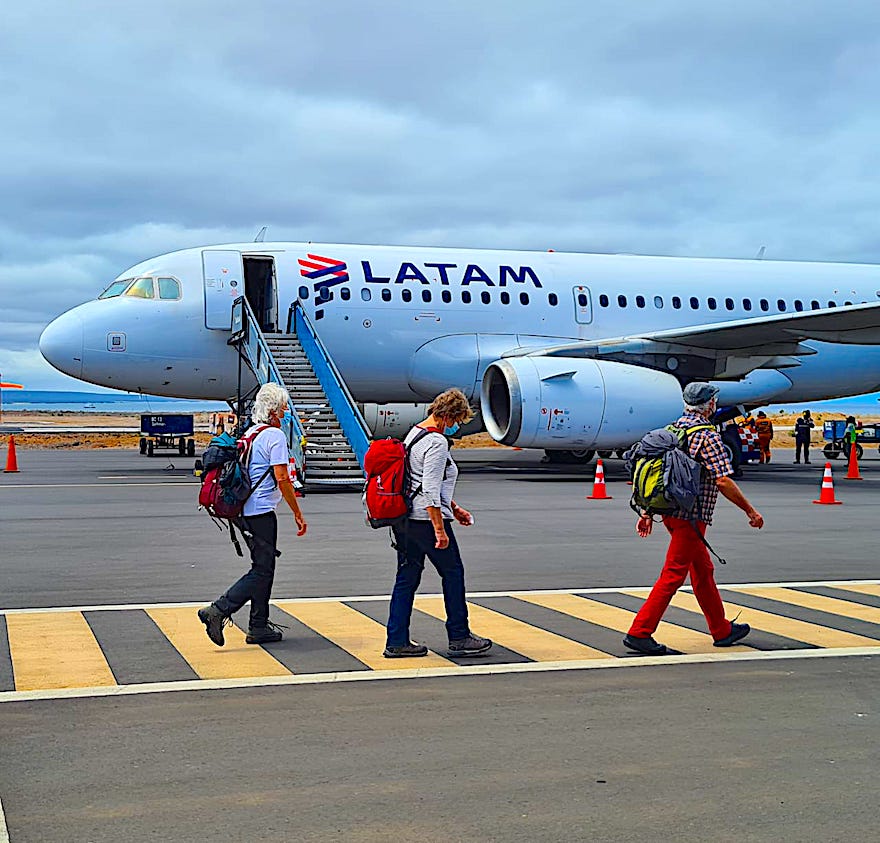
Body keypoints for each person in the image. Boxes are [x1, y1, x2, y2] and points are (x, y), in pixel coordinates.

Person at [624, 382, 764, 656]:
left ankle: (721, 629)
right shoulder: (707, 436)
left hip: (670, 513)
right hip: (691, 517)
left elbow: (653, 473)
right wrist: (750, 511)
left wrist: (647, 512)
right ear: (710, 405)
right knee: (673, 574)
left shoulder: (671, 430)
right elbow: (722, 480)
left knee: (702, 570)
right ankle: (639, 632)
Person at [384, 388, 492, 658]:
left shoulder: (415, 433)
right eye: (458, 420)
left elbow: (418, 481)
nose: (457, 426)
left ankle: (396, 640)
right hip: (426, 520)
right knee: (453, 574)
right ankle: (459, 636)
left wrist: (454, 508)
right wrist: (440, 529)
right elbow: (430, 489)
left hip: (406, 519)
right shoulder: (436, 442)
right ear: (450, 416)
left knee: (407, 578)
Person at [199, 383, 307, 646]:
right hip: (260, 513)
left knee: (263, 567)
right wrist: (297, 512)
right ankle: (218, 610)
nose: (285, 413)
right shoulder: (274, 436)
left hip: (244, 510)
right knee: (262, 570)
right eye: (283, 409)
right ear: (272, 412)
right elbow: (282, 477)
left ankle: (258, 625)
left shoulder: (252, 432)